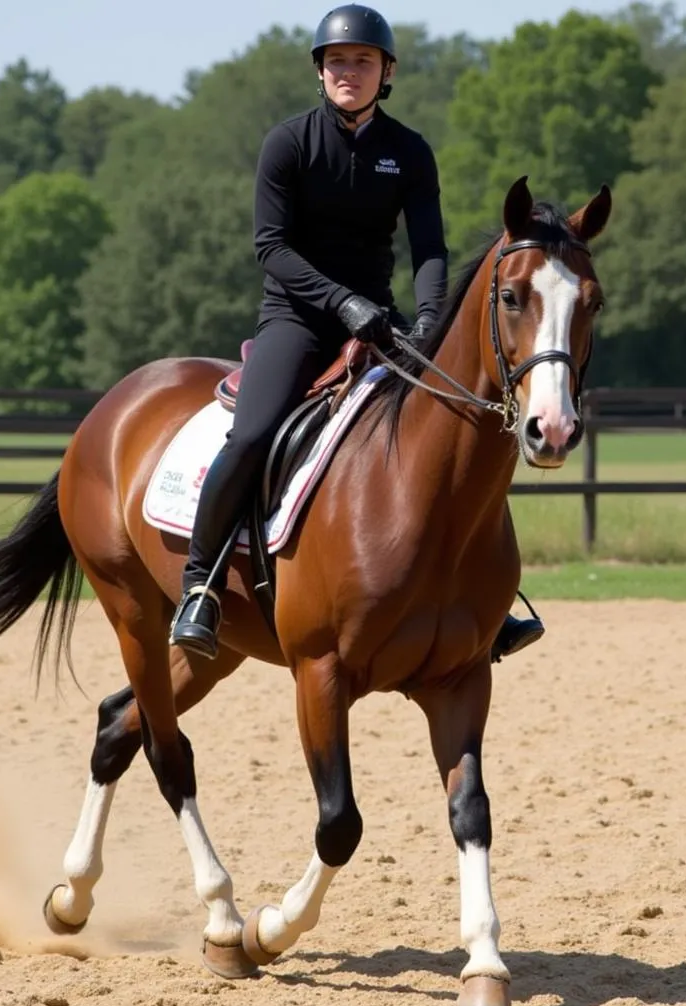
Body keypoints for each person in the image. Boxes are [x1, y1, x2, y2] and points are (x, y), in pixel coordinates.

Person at [169, 3, 544, 663]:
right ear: (320, 71)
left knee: (457, 424)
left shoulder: (409, 151)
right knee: (253, 433)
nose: (349, 72)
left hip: (382, 319)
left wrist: (429, 318)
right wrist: (341, 304)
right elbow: (272, 247)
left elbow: (430, 248)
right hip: (297, 319)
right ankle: (200, 581)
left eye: (362, 61)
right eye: (337, 61)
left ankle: (485, 598)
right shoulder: (288, 144)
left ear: (386, 71)